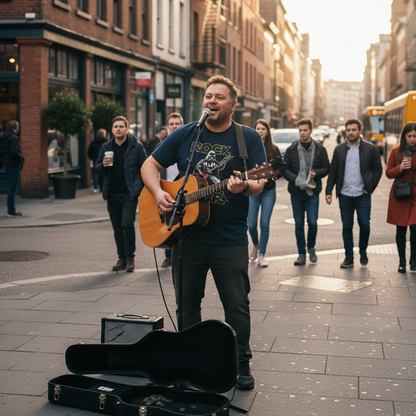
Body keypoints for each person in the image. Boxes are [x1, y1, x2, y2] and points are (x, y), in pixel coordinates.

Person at [140, 75, 267, 390]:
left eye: (219, 97)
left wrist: (245, 185)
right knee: (186, 306)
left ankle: (241, 364)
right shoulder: (187, 134)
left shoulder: (247, 138)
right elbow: (148, 166)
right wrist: (158, 194)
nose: (212, 101)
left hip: (229, 240)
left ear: (233, 105)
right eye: (208, 96)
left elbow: (260, 182)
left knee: (236, 307)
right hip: (186, 239)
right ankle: (190, 362)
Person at [326, 118, 382, 268]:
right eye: (348, 130)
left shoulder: (370, 149)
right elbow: (333, 171)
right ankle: (349, 257)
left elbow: (378, 170)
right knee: (347, 226)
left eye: (353, 130)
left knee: (364, 224)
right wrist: (329, 191)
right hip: (344, 194)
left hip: (363, 194)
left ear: (360, 131)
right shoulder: (339, 149)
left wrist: (370, 188)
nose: (350, 133)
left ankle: (363, 250)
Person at [95, 116, 147, 272]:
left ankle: (130, 258)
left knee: (127, 224)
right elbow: (97, 168)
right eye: (115, 126)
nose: (118, 129)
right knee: (117, 227)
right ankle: (121, 258)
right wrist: (102, 165)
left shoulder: (136, 146)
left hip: (129, 193)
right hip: (111, 193)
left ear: (126, 128)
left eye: (121, 126)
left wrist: (143, 189)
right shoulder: (106, 147)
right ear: (112, 130)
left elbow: (145, 167)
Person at [282, 118, 330, 265]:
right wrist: (295, 179)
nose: (302, 133)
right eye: (300, 130)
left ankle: (311, 247)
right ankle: (301, 254)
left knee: (312, 223)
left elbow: (327, 167)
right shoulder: (292, 149)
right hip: (296, 192)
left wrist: (317, 174)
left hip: (312, 192)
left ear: (311, 131)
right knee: (298, 224)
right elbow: (284, 169)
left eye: (305, 130)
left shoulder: (320, 148)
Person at [248, 119, 282, 267]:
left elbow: (280, 170)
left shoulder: (273, 149)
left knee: (265, 223)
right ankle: (256, 245)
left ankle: (262, 255)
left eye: (263, 129)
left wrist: (271, 177)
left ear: (267, 131)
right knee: (251, 224)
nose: (260, 131)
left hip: (268, 191)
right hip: (253, 191)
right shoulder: (249, 148)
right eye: (258, 128)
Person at [386, 122, 416, 273]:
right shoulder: (396, 151)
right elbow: (388, 172)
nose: (412, 139)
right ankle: (402, 261)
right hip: (401, 194)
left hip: (415, 197)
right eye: (409, 136)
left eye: (415, 136)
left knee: (415, 229)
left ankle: (414, 260)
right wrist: (400, 168)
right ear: (404, 137)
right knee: (401, 230)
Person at [161, 112, 184, 268]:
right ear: (168, 127)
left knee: (180, 223)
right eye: (172, 124)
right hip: (165, 190)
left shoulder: (188, 145)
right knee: (165, 223)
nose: (174, 126)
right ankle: (168, 256)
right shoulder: (160, 146)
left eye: (177, 123)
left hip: (182, 191)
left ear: (182, 125)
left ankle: (179, 253)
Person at [2, 120, 24, 217]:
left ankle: (11, 209)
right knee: (12, 189)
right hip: (14, 165)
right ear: (16, 127)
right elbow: (14, 152)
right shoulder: (14, 138)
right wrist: (21, 158)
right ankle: (11, 210)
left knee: (11, 188)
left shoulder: (5, 137)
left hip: (7, 164)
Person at [87, 128, 107, 193]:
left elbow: (89, 152)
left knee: (96, 174)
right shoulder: (107, 141)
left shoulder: (93, 142)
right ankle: (102, 188)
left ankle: (95, 188)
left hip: (96, 159)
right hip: (105, 159)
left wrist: (92, 158)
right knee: (103, 174)